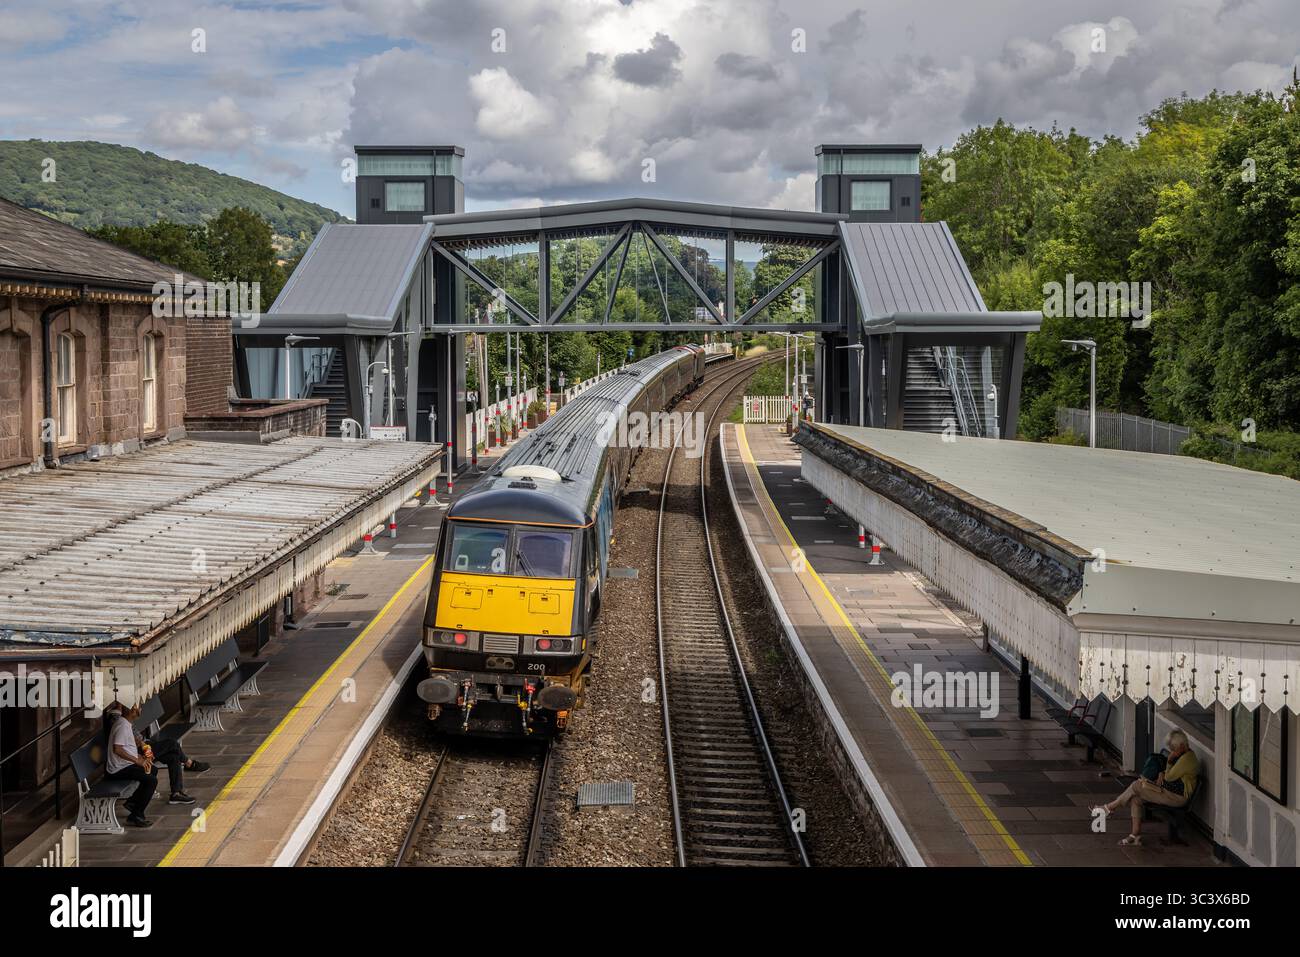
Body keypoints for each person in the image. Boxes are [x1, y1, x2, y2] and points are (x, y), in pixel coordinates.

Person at [104, 701, 210, 828]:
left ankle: (133, 802)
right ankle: (136, 815)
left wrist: (141, 755)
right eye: (138, 707)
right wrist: (138, 760)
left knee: (156, 768)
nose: (140, 709)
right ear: (132, 711)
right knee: (152, 780)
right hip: (117, 769)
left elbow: (128, 746)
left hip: (125, 763)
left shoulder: (125, 723)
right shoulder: (121, 725)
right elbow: (118, 749)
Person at [1092, 729, 1199, 846]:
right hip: (1168, 791)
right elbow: (1170, 775)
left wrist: (1168, 762)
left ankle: (1109, 808)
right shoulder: (1183, 755)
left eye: (1174, 749)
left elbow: (1169, 777)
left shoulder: (1187, 759)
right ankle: (1135, 835)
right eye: (1171, 749)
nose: (1172, 751)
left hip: (1177, 797)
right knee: (1136, 799)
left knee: (1136, 785)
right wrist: (1162, 773)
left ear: (1182, 746)